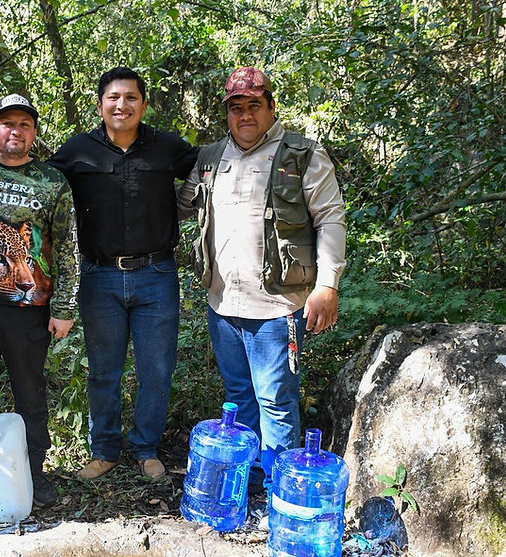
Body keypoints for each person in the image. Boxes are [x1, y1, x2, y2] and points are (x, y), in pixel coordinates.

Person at [177, 67, 347, 490]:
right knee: (238, 396)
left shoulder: (302, 155)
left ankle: (278, 488)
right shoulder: (210, 157)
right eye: (236, 107)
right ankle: (249, 481)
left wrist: (327, 285)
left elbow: (330, 218)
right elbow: (177, 206)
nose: (245, 115)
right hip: (222, 304)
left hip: (277, 306)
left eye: (254, 105)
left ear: (271, 106)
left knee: (275, 400)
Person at [47, 67, 197, 481]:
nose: (122, 105)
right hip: (100, 277)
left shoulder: (167, 148)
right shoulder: (78, 150)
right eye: (113, 97)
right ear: (100, 105)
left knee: (157, 369)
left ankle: (146, 448)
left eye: (131, 98)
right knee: (104, 370)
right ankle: (105, 450)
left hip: (157, 275)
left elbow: (215, 166)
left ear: (143, 105)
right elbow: (37, 180)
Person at [0, 94, 78, 508]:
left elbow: (66, 246)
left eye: (24, 124)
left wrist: (64, 308)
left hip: (28, 312)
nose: (15, 131)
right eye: (7, 123)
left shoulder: (52, 181)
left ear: (34, 133)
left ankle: (34, 472)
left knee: (30, 395)